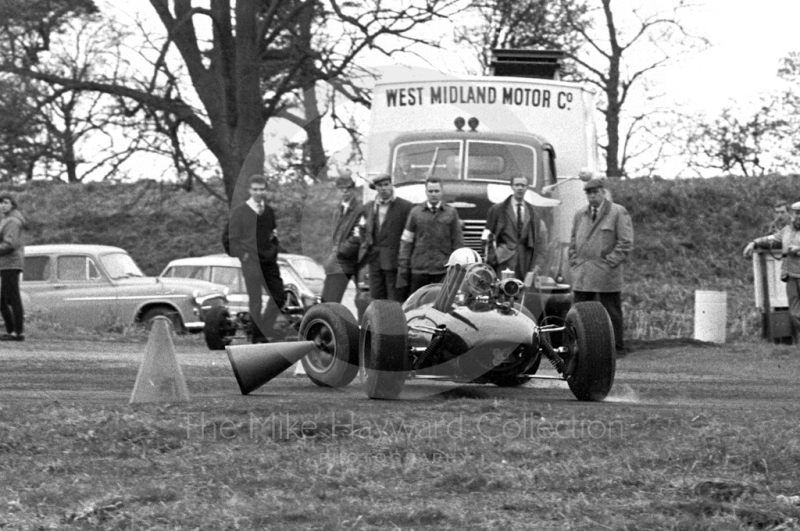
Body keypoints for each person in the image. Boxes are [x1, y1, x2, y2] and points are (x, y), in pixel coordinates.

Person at [568, 178, 634, 356]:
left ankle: (616, 348)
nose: (592, 196)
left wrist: (610, 261)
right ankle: (582, 348)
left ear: (603, 192)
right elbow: (573, 240)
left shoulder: (617, 212)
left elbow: (625, 242)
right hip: (583, 271)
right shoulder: (580, 214)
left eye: (595, 192)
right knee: (580, 312)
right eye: (589, 193)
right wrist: (574, 260)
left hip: (607, 273)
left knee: (611, 310)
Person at [225, 174, 285, 342]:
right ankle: (258, 338)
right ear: (249, 190)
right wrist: (243, 255)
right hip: (251, 261)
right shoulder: (240, 212)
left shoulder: (269, 211)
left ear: (266, 190)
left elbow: (273, 234)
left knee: (279, 297)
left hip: (269, 261)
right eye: (255, 189)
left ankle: (263, 330)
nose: (259, 192)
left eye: (262, 189)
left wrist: (273, 250)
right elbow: (230, 239)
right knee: (256, 300)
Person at [744, 201, 800, 342]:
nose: (797, 216)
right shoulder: (787, 230)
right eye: (796, 213)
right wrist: (754, 243)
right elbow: (772, 239)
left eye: (799, 213)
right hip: (791, 274)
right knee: (794, 313)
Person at [398, 177, 464, 293]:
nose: (433, 194)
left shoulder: (451, 213)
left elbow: (457, 242)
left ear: (442, 192)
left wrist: (458, 266)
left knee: (442, 305)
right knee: (417, 305)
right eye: (430, 191)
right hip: (419, 269)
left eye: (436, 191)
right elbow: (407, 242)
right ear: (426, 192)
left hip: (443, 269)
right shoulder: (415, 212)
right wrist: (404, 266)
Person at [356, 173, 414, 302]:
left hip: (395, 262)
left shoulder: (405, 207)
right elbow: (362, 228)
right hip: (374, 261)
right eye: (380, 186)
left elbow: (410, 235)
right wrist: (366, 246)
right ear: (375, 188)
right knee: (376, 299)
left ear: (391, 185)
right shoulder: (369, 207)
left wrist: (405, 259)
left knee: (394, 300)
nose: (383, 188)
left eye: (386, 184)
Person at [483, 174, 548, 281]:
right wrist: (492, 258)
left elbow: (541, 246)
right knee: (501, 292)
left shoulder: (533, 213)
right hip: (502, 262)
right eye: (517, 185)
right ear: (511, 186)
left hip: (524, 264)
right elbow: (486, 237)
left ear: (527, 187)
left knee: (521, 294)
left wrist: (534, 270)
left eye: (523, 185)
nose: (520, 188)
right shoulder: (498, 210)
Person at [320, 174, 363, 303]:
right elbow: (335, 236)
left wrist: (339, 251)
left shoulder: (360, 209)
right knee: (326, 301)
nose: (344, 191)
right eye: (341, 188)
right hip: (335, 262)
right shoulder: (339, 208)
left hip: (346, 262)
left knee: (331, 302)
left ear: (353, 189)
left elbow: (358, 237)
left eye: (347, 188)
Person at [0, 194, 26, 341]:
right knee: (2, 301)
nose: (2, 205)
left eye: (5, 203)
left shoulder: (12, 222)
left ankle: (18, 332)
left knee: (13, 298)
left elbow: (10, 244)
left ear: (12, 205)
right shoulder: (6, 220)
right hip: (5, 264)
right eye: (0, 203)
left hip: (11, 263)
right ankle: (11, 330)